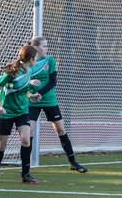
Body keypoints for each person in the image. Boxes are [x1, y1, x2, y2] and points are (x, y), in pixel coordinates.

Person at [28, 36, 87, 173]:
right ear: (36, 47)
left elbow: (52, 82)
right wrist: (31, 90)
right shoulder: (27, 62)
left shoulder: (50, 60)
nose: (47, 49)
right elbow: (22, 79)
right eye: (44, 46)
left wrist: (40, 94)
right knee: (28, 133)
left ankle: (73, 162)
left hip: (49, 100)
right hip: (31, 101)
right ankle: (26, 168)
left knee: (60, 130)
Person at [0, 45, 41, 183]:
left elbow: (23, 91)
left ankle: (25, 174)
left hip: (22, 111)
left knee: (26, 140)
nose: (37, 59)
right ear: (31, 59)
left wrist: (31, 96)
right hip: (6, 112)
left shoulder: (29, 71)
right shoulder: (12, 73)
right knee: (1, 145)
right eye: (36, 57)